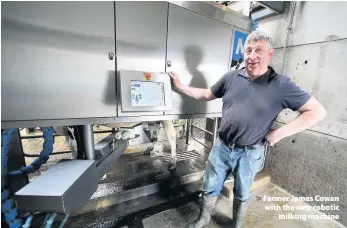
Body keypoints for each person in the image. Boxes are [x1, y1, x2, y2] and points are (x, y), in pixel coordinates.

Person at [168, 30, 326, 228]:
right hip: (222, 147)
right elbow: (207, 94)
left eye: (258, 50)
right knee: (209, 186)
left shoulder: (281, 85)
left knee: (242, 193)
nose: (252, 56)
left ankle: (237, 225)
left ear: (270, 54)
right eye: (248, 50)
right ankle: (203, 219)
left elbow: (317, 111)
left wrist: (278, 133)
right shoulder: (231, 77)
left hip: (250, 152)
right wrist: (180, 86)